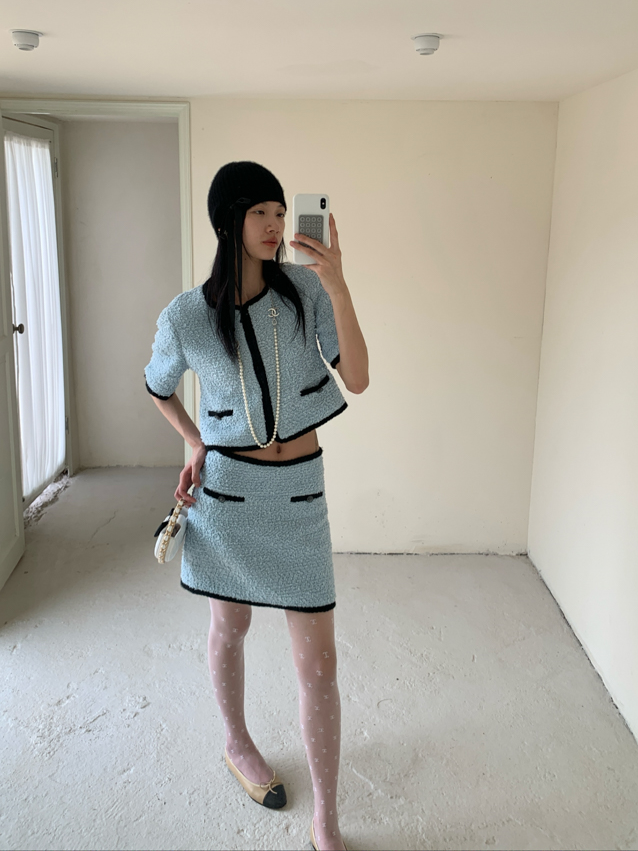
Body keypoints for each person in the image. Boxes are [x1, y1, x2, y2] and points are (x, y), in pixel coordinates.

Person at [145, 161, 369, 851]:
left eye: (280, 211)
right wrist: (194, 442)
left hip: (299, 496)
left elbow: (359, 378)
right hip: (227, 499)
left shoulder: (307, 290)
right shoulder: (186, 315)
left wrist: (338, 282)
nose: (275, 225)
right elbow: (157, 384)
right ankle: (236, 740)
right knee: (229, 626)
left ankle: (326, 818)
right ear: (228, 221)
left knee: (320, 664)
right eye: (259, 212)